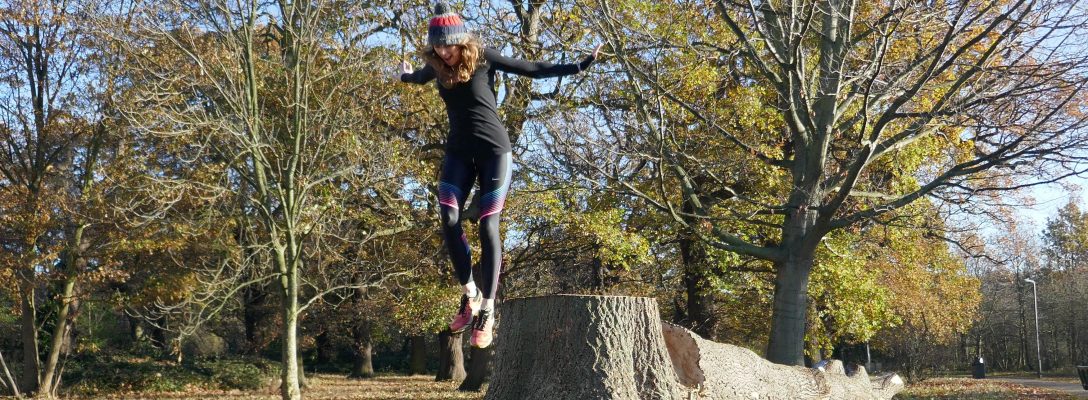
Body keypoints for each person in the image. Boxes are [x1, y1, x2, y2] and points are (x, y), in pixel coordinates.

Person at [394, 2, 600, 348]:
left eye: (449, 45)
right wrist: (405, 75)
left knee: (488, 224)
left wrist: (579, 65)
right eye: (438, 47)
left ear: (461, 40)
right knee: (448, 217)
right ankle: (470, 295)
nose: (444, 52)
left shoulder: (484, 57)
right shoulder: (437, 67)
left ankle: (487, 309)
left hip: (494, 153)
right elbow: (419, 76)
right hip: (459, 153)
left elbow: (533, 69)